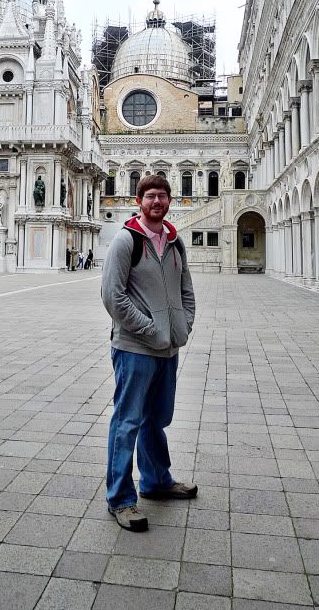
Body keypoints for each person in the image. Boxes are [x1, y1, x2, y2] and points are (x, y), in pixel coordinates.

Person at [101, 174, 196, 532]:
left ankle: (157, 480)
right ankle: (121, 498)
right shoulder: (126, 241)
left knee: (157, 419)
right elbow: (113, 297)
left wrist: (182, 325)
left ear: (169, 201)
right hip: (135, 349)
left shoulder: (175, 241)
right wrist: (148, 329)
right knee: (127, 422)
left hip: (167, 348)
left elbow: (186, 290)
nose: (157, 201)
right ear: (139, 200)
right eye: (151, 196)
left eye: (163, 196)